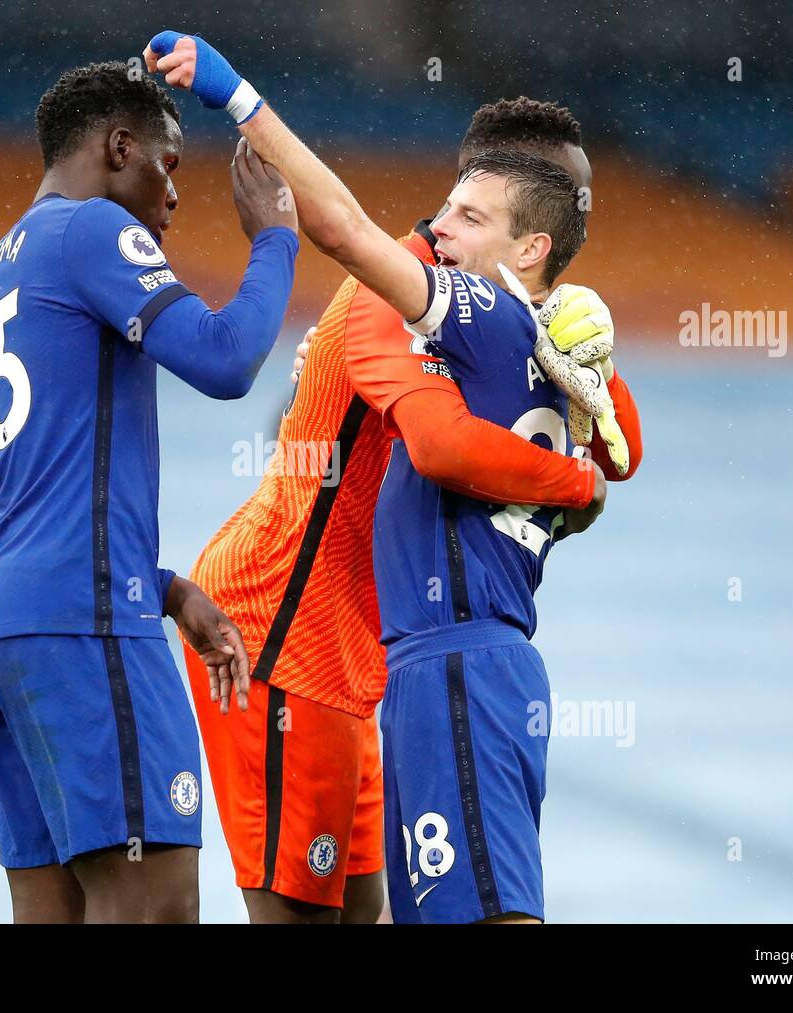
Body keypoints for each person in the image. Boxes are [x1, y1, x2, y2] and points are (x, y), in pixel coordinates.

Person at [146, 30, 640, 922]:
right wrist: (576, 490)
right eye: (573, 196)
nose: (583, 220)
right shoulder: (398, 291)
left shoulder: (511, 318)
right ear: (522, 218)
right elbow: (444, 444)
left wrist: (590, 394)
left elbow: (620, 441)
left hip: (372, 660)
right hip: (276, 633)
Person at [0, 61, 299, 923]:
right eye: (167, 166)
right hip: (83, 620)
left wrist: (169, 591)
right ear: (118, 146)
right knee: (157, 907)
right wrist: (276, 238)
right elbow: (223, 359)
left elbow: (34, 492)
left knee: (55, 912)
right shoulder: (91, 231)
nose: (173, 197)